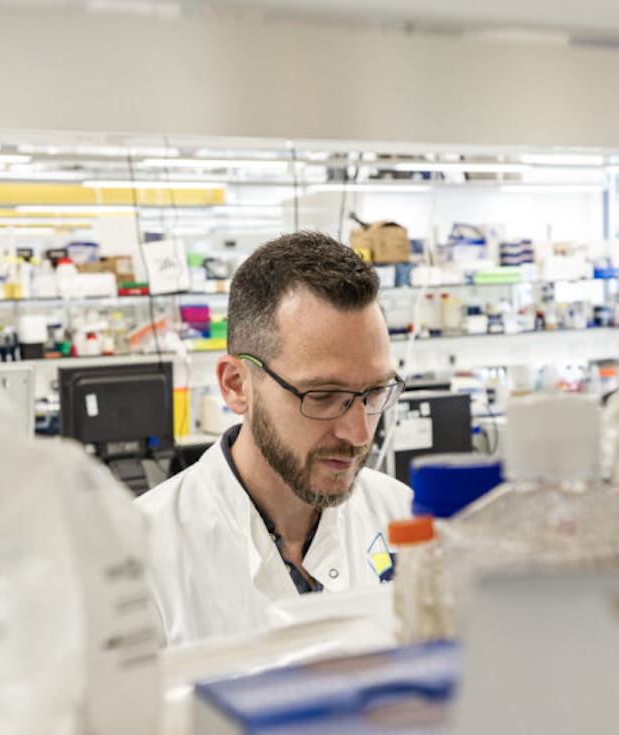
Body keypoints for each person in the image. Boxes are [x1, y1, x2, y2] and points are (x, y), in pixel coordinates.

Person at [136, 231, 412, 646]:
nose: (358, 433)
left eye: (374, 393)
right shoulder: (141, 556)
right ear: (236, 385)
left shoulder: (403, 516)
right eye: (321, 396)